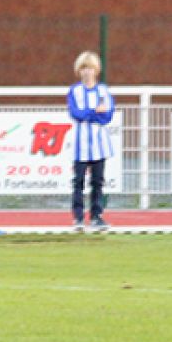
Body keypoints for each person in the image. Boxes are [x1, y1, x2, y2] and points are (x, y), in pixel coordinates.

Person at [67, 50, 114, 232]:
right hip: (80, 145)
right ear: (80, 71)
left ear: (96, 71)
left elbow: (107, 116)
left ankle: (96, 216)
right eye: (84, 68)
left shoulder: (103, 91)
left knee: (97, 181)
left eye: (90, 68)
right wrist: (94, 111)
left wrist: (90, 113)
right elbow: (75, 114)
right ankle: (78, 217)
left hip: (99, 145)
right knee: (78, 181)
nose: (87, 72)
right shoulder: (75, 91)